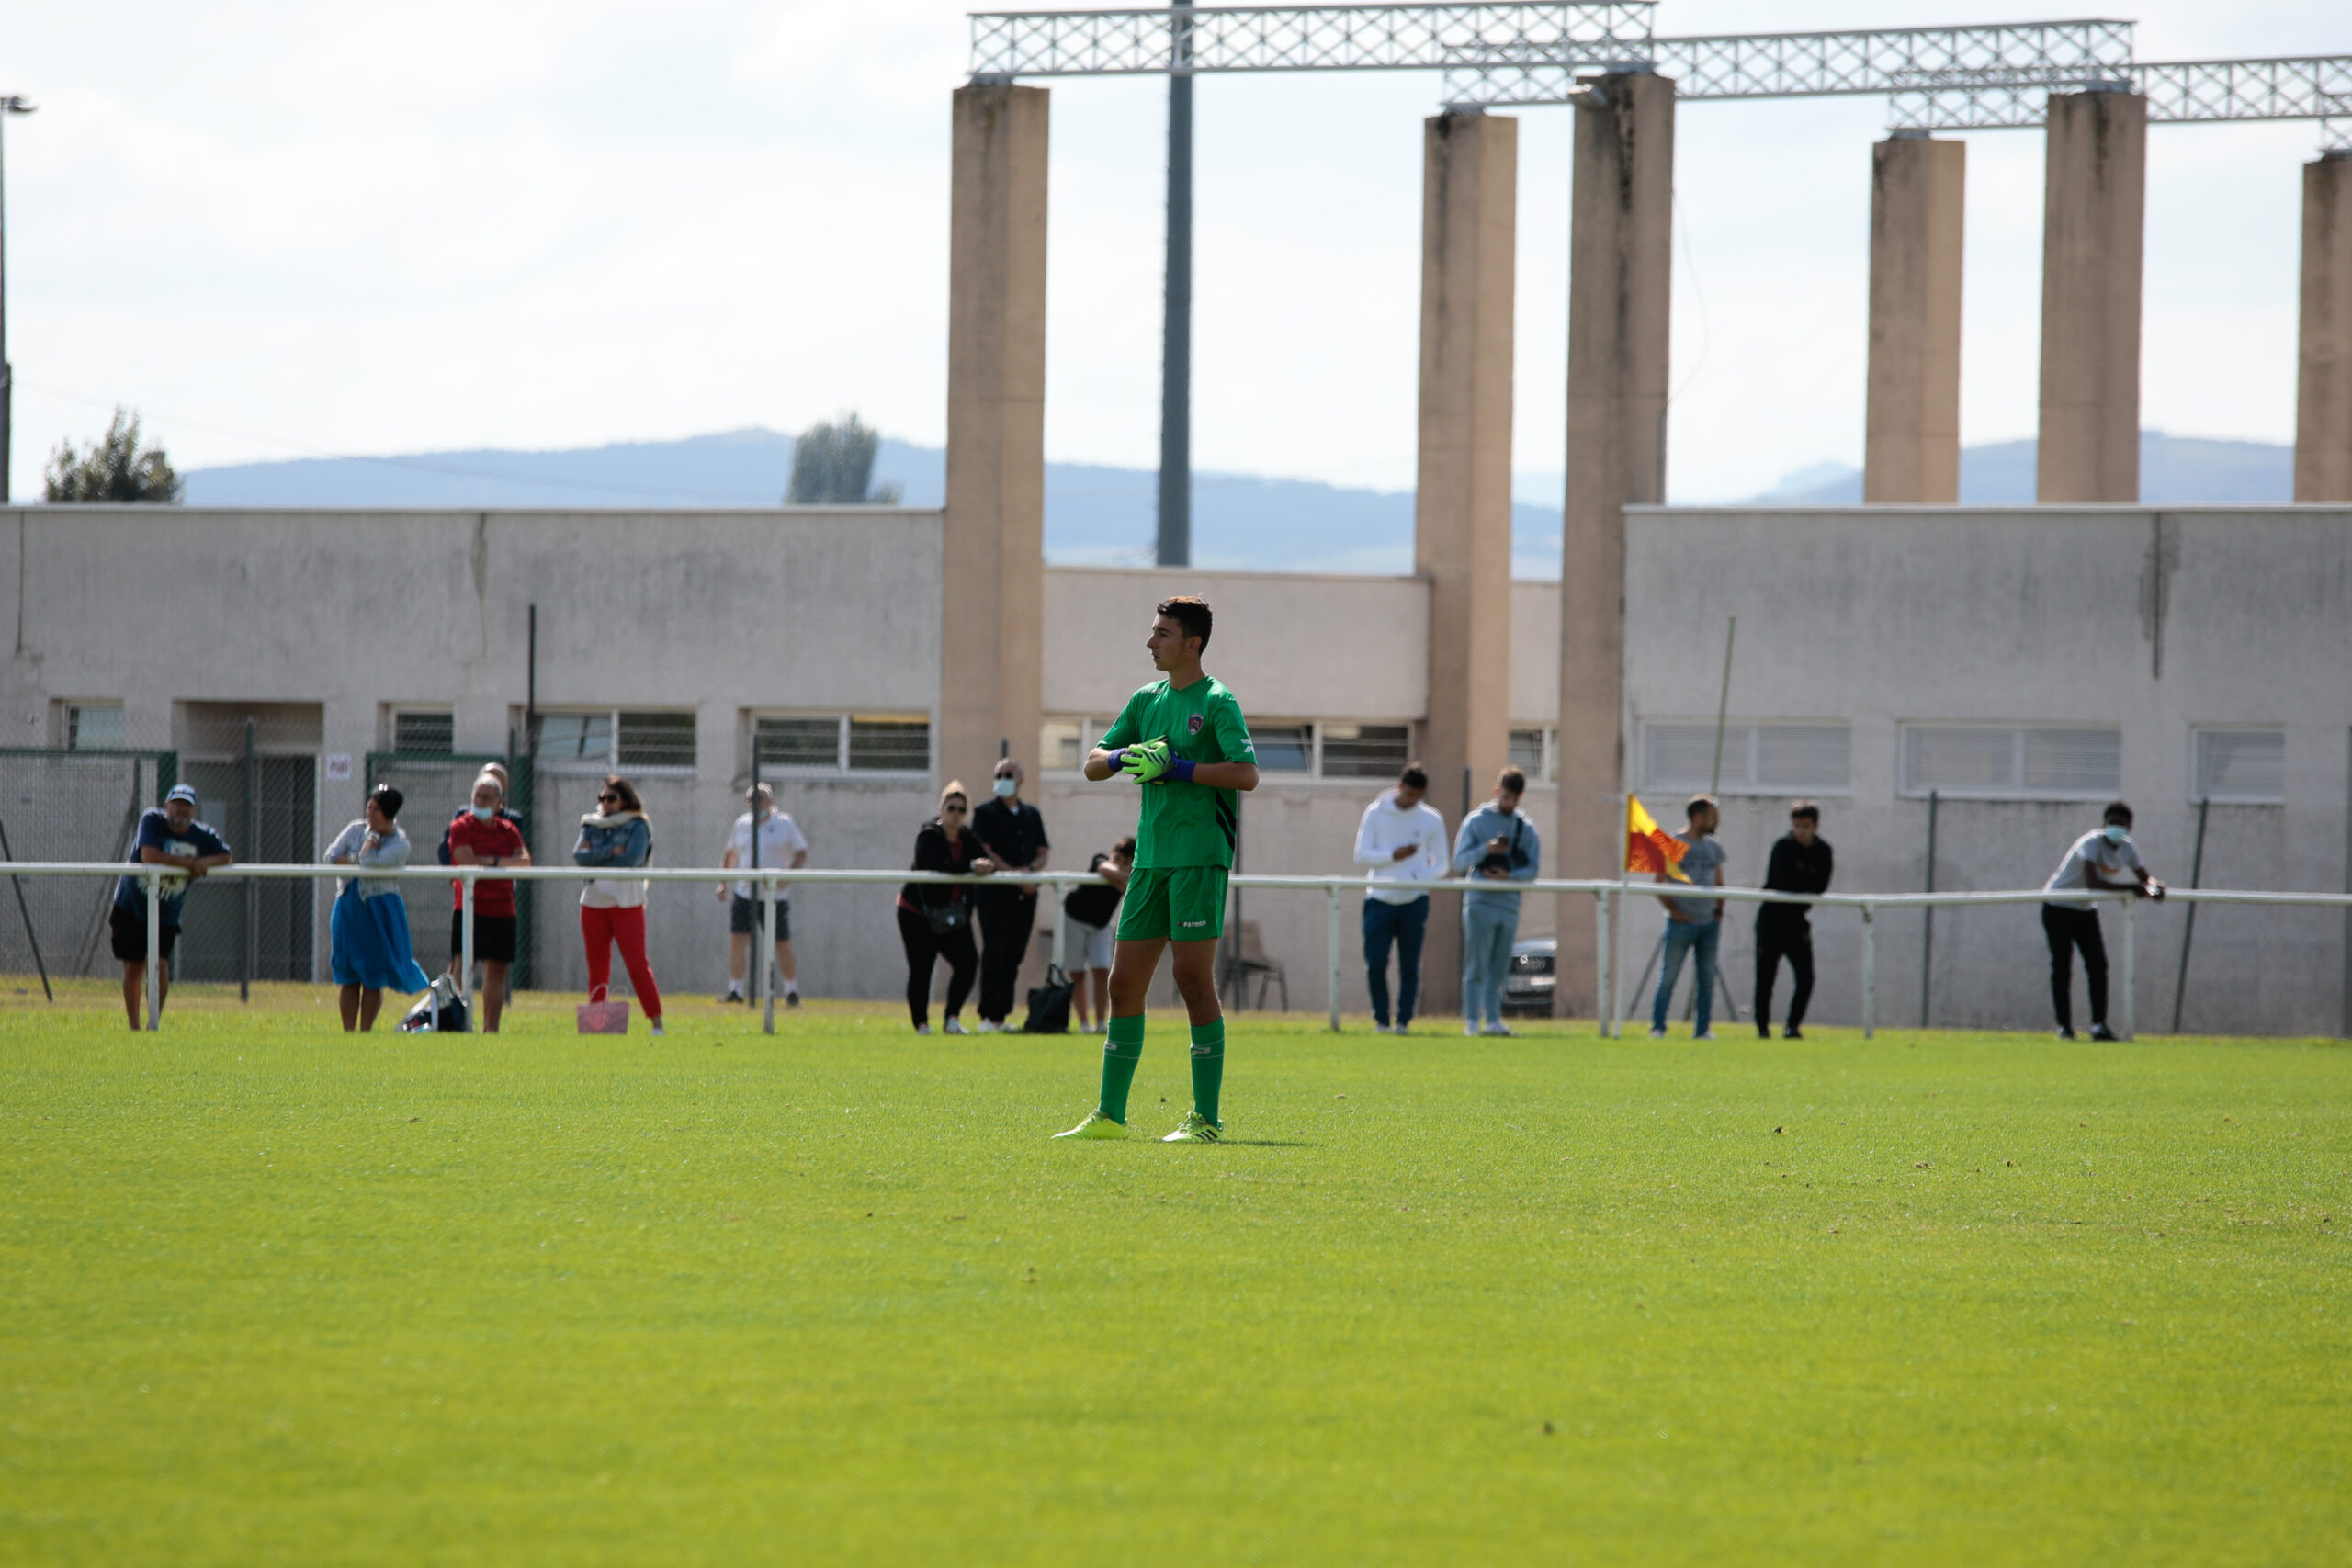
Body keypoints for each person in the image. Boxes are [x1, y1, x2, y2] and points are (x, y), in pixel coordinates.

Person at [1055, 595, 1260, 1143]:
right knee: (1122, 985)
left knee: (1191, 980)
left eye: (1162, 634)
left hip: (1199, 859)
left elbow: (1246, 774)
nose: (1150, 642)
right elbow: (1092, 764)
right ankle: (1110, 1116)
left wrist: (1180, 767)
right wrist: (1125, 757)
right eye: (1153, 632)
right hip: (1149, 862)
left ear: (1193, 643)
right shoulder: (1145, 699)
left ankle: (1207, 1120)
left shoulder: (1217, 700)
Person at [110, 783, 233, 1030]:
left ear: (195, 810)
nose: (181, 810)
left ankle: (153, 1025)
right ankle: (134, 1027)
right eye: (177, 804)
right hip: (131, 905)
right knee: (133, 966)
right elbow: (149, 856)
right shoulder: (152, 820)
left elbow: (226, 856)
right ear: (167, 805)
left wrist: (204, 863)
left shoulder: (202, 835)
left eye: (187, 806)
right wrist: (190, 864)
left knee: (160, 965)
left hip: (165, 913)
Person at [2041, 801, 2166, 1041]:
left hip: (2084, 909)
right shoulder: (2090, 843)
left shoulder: (2128, 848)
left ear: (2129, 827)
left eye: (2121, 824)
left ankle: (2099, 1026)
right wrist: (2132, 888)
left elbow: (2145, 878)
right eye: (2112, 823)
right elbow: (2092, 883)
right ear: (2104, 824)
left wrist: (2155, 888)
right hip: (2057, 906)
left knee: (2098, 965)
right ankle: (2064, 1027)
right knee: (2062, 966)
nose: (2116, 828)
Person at [325, 784, 433, 1032]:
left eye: (376, 809)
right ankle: (348, 1033)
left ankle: (365, 1032)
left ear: (388, 813)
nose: (370, 813)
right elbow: (331, 857)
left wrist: (371, 841)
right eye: (369, 807)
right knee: (349, 974)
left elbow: (371, 863)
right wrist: (357, 856)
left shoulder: (399, 843)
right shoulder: (355, 830)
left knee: (372, 975)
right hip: (349, 908)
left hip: (378, 910)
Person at [1353, 761, 1448, 1033]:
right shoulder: (1375, 813)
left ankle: (1404, 1022)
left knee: (1410, 966)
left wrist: (1419, 878)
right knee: (1376, 964)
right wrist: (1392, 855)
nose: (1411, 801)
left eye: (1417, 797)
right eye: (1408, 794)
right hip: (1379, 899)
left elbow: (1442, 863)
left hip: (1414, 902)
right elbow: (1361, 855)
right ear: (1399, 787)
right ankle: (1381, 1021)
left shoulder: (1431, 819)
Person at [896, 781, 995, 1034]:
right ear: (941, 808)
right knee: (922, 968)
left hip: (952, 916)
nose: (956, 814)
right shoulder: (928, 835)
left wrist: (986, 865)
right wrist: (970, 867)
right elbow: (933, 864)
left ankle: (952, 1018)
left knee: (968, 963)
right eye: (951, 808)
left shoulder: (967, 838)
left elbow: (985, 859)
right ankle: (921, 1024)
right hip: (917, 914)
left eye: (961, 809)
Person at [1452, 766, 1541, 1037]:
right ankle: (1471, 1021)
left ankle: (1493, 1020)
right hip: (1480, 902)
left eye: (1514, 798)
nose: (1509, 803)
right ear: (1496, 791)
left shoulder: (1526, 828)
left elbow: (1532, 870)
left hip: (1509, 905)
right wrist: (1486, 850)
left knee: (1499, 967)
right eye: (1505, 796)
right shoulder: (1476, 821)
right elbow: (1459, 862)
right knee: (1476, 964)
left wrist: (1509, 875)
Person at [573, 775, 664, 1036]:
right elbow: (580, 857)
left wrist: (597, 855)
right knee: (597, 968)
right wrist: (611, 851)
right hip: (593, 903)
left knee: (637, 965)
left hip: (627, 903)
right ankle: (596, 1026)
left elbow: (631, 859)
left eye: (611, 798)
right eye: (602, 798)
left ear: (625, 800)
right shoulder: (590, 823)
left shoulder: (638, 825)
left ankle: (657, 1024)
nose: (605, 803)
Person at [447, 769, 531, 1032]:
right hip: (470, 908)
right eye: (477, 796)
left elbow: (525, 862)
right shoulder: (461, 826)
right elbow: (468, 861)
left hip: (503, 910)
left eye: (486, 797)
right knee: (462, 968)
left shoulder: (509, 830)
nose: (480, 801)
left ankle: (490, 1030)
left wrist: (492, 861)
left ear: (499, 803)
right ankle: (455, 1024)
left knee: (497, 973)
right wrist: (503, 864)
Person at [971, 756, 1050, 1032]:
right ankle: (987, 1016)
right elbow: (985, 850)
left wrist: (1030, 871)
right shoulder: (984, 813)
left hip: (1025, 896)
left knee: (1014, 955)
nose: (1003, 779)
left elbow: (1043, 852)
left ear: (1021, 780)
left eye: (1008, 774)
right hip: (994, 896)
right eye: (999, 775)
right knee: (994, 953)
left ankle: (1001, 1017)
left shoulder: (1031, 814)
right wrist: (1016, 877)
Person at [717, 784, 808, 1007]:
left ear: (771, 800)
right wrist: (723, 883)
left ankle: (791, 991)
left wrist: (787, 877)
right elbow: (730, 853)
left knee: (781, 942)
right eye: (751, 800)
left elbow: (801, 852)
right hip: (745, 894)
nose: (756, 804)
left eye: (760, 798)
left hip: (774, 896)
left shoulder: (785, 824)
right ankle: (736, 990)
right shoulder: (742, 824)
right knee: (738, 940)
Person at [1649, 794, 1728, 1041]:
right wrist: (1676, 912)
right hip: (1680, 925)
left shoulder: (1713, 846)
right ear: (1698, 817)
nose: (1717, 820)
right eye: (1712, 815)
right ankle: (1658, 1028)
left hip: (1708, 924)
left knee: (1706, 979)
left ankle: (1702, 1030)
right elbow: (1658, 883)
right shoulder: (1674, 843)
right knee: (1668, 977)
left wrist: (1718, 912)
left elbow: (1720, 882)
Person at [1755, 800, 1834, 1040]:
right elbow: (1782, 881)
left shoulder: (1823, 851)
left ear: (1816, 826)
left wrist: (1801, 885)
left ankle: (1792, 1026)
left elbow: (1820, 886)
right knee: (1766, 978)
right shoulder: (1783, 847)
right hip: (1771, 920)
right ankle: (1762, 1029)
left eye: (1805, 826)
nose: (1800, 831)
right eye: (1797, 825)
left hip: (1796, 921)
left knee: (1806, 977)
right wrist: (1803, 885)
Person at [1061, 837, 1136, 1033]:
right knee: (1077, 973)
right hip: (1073, 919)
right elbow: (1106, 870)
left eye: (1127, 862)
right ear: (1112, 853)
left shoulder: (1125, 877)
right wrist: (1123, 875)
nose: (1120, 864)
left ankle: (1101, 1022)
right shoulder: (1100, 859)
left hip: (1101, 925)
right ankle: (1084, 1023)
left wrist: (1119, 879)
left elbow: (1125, 887)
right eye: (1118, 858)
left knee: (1102, 972)